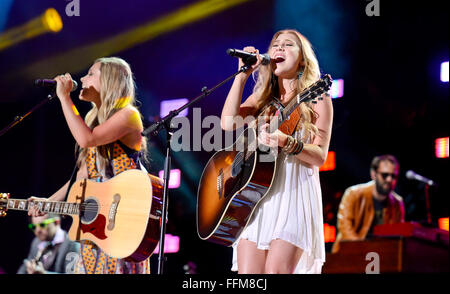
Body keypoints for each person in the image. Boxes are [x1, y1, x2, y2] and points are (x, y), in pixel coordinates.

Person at [220, 29, 333, 274]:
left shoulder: (317, 97)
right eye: (275, 45)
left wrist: (287, 142)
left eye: (288, 45)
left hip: (293, 192)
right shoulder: (260, 99)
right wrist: (242, 75)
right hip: (256, 196)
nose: (279, 48)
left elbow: (320, 155)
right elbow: (227, 123)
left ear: (302, 59)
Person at [28, 57, 150, 274]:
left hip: (121, 226)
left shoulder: (128, 115)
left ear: (111, 81)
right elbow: (81, 177)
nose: (82, 78)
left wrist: (64, 98)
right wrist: (48, 202)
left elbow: (87, 140)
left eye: (91, 74)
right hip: (95, 230)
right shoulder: (93, 121)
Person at [331, 154, 405, 253]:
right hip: (349, 254)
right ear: (373, 174)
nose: (389, 180)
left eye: (393, 176)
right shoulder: (353, 194)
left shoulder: (397, 203)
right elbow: (345, 228)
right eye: (385, 175)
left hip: (381, 258)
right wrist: (364, 250)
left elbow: (398, 236)